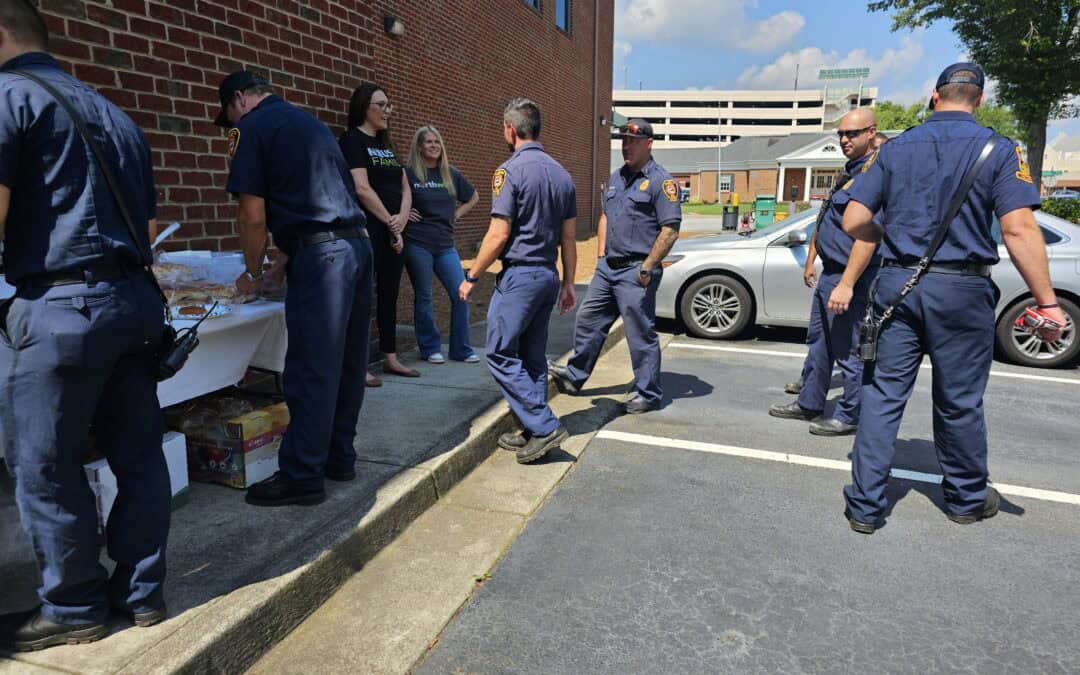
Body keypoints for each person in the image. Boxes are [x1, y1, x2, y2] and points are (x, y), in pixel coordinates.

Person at [832, 63, 1065, 534]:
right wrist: (1047, 301)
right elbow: (1018, 228)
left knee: (881, 396)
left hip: (898, 286)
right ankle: (964, 499)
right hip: (961, 290)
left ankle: (865, 507)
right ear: (978, 100)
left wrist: (891, 236)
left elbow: (854, 220)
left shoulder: (894, 150)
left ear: (935, 97)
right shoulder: (999, 150)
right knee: (959, 399)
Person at [0, 0, 169, 649]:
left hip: (62, 307)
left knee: (45, 461)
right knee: (138, 452)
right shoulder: (116, 115)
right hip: (134, 304)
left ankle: (73, 607)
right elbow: (147, 228)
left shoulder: (9, 97)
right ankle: (142, 591)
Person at [217, 70, 374, 507]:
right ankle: (339, 458)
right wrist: (285, 262)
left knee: (310, 368)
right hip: (357, 248)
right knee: (346, 363)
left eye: (229, 116)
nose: (231, 124)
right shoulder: (312, 125)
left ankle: (302, 475)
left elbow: (252, 214)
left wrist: (252, 270)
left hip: (323, 260)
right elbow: (326, 200)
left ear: (239, 100)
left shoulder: (252, 128)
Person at [459, 98, 577, 464]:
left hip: (521, 276)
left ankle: (543, 426)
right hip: (547, 276)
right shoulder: (562, 174)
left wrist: (472, 275)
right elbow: (568, 238)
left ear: (511, 129)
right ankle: (532, 427)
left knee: (498, 352)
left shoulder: (509, 171)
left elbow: (498, 234)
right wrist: (569, 283)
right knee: (532, 356)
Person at [548, 119, 680, 414]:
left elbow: (669, 229)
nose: (626, 146)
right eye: (624, 141)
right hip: (608, 269)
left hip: (636, 271)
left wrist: (647, 267)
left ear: (649, 143)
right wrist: (599, 258)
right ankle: (575, 376)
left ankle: (648, 393)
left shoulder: (662, 182)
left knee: (639, 334)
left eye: (633, 141)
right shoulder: (617, 177)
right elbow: (606, 217)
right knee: (588, 320)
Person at [768, 109, 881, 435]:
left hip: (852, 279)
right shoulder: (850, 172)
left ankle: (848, 415)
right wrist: (811, 258)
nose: (845, 140)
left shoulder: (875, 176)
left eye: (853, 134)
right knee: (819, 344)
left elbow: (867, 236)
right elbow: (825, 220)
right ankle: (809, 403)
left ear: (871, 133)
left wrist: (846, 283)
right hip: (830, 273)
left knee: (849, 350)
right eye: (841, 134)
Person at [339, 82, 416, 382]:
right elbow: (361, 188)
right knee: (361, 298)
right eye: (381, 105)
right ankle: (357, 365)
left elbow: (405, 187)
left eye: (389, 105)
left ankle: (391, 358)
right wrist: (389, 221)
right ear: (364, 107)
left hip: (394, 228)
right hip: (370, 229)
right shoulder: (352, 141)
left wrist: (401, 221)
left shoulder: (387, 143)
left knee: (390, 294)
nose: (388, 111)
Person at [403, 126, 481, 363]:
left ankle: (461, 349)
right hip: (418, 243)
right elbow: (392, 198)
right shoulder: (408, 173)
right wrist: (404, 214)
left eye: (437, 142)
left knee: (461, 293)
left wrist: (457, 214)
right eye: (428, 142)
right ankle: (430, 348)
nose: (434, 146)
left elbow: (473, 197)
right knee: (424, 296)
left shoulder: (450, 173)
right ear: (419, 146)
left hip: (446, 244)